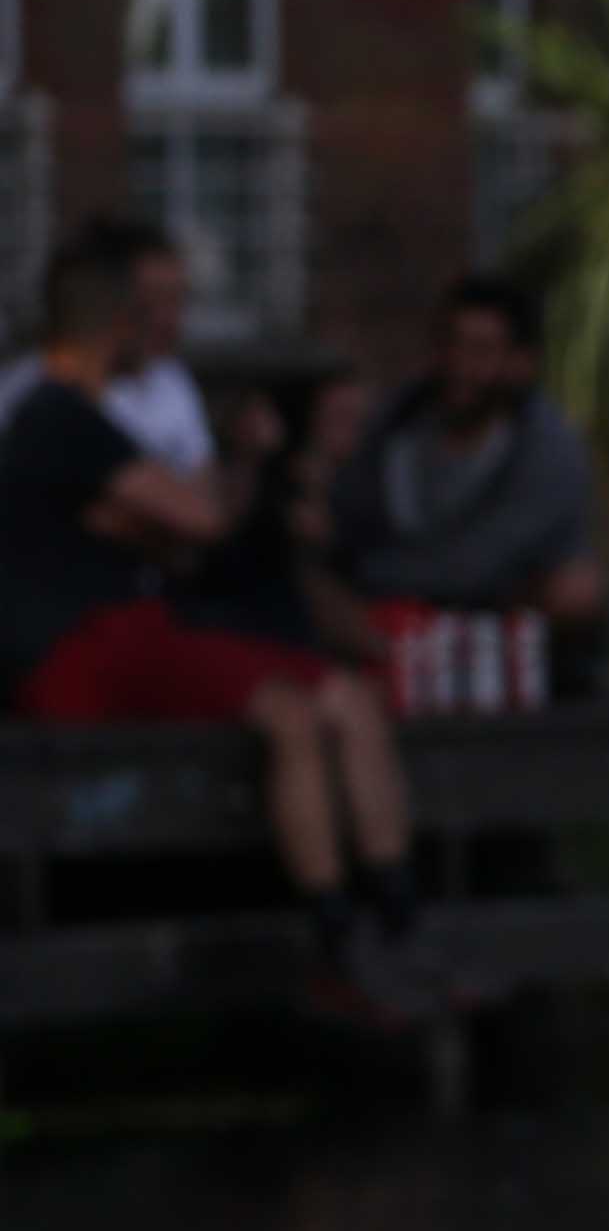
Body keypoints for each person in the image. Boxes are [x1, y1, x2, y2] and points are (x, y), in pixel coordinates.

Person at [0, 232, 424, 1013]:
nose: (171, 327)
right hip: (90, 647)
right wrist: (239, 462)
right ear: (118, 322)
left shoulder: (68, 421)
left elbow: (163, 522)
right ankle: (358, 937)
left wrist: (156, 513)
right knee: (308, 704)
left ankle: (379, 923)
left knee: (329, 701)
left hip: (112, 636)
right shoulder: (57, 416)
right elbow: (198, 521)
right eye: (155, 309)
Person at [325, 275, 604, 641]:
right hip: (387, 607)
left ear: (519, 362)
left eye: (480, 351)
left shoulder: (549, 449)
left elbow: (484, 562)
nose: (459, 365)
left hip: (492, 613)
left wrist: (389, 574)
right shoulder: (392, 425)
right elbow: (344, 523)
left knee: (579, 590)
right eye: (449, 345)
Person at [182, 374, 380, 664]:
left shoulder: (352, 484)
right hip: (258, 625)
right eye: (338, 417)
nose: (350, 429)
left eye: (356, 420)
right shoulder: (265, 483)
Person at [0, 218, 214, 476]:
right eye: (152, 300)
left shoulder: (169, 380)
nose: (168, 319)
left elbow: (205, 496)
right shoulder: (40, 398)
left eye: (178, 299)